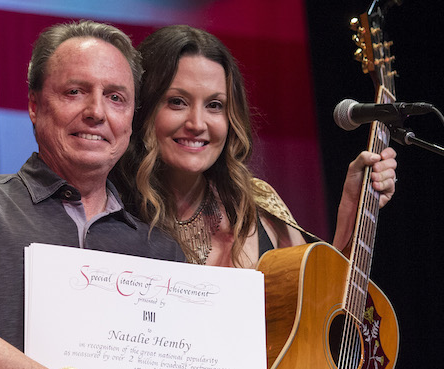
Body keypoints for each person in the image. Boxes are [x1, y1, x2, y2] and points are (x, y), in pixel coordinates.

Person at [0, 20, 184, 369]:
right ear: (34, 105)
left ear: (130, 119)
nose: (97, 111)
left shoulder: (160, 250)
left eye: (115, 97)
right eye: (75, 91)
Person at [112, 24, 397, 267]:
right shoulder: (105, 207)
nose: (197, 123)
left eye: (214, 105)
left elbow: (318, 315)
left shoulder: (260, 207)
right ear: (143, 106)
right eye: (177, 101)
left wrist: (350, 208)